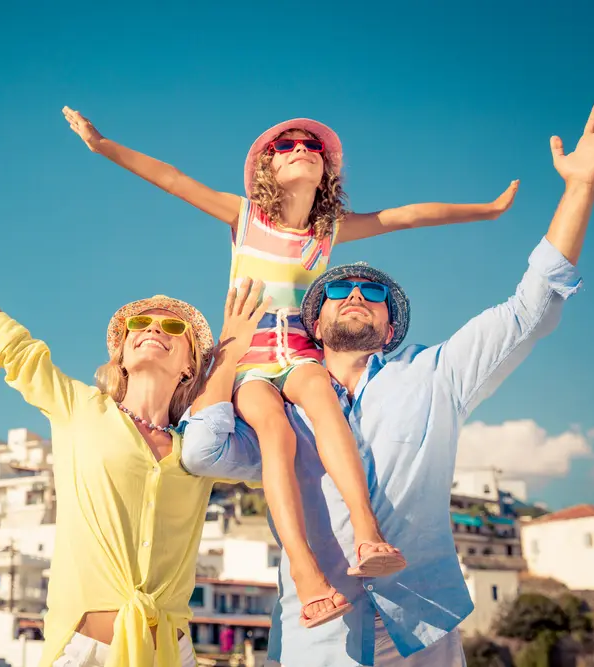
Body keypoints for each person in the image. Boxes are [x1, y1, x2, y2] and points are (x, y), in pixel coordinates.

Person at [178, 95, 594, 665]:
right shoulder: (277, 409)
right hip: (317, 641)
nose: (358, 295)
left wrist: (580, 188)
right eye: (338, 289)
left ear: (392, 324)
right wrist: (231, 352)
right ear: (311, 320)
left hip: (424, 631)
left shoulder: (436, 377)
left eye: (376, 292)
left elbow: (531, 308)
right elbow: (201, 451)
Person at [63, 106, 518, 627]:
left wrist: (487, 211)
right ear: (266, 168)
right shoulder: (246, 218)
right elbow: (171, 179)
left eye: (311, 147)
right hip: (250, 360)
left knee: (326, 409)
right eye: (285, 146)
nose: (300, 150)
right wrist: (103, 146)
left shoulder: (327, 234)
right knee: (276, 435)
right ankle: (306, 576)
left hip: (301, 354)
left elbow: (407, 216)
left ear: (326, 171)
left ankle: (368, 536)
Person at [0, 210, 270, 666]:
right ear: (122, 354)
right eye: (140, 325)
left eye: (173, 328)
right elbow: (9, 341)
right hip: (84, 651)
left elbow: (288, 468)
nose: (153, 329)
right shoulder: (79, 407)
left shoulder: (202, 449)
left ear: (190, 364)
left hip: (172, 652)